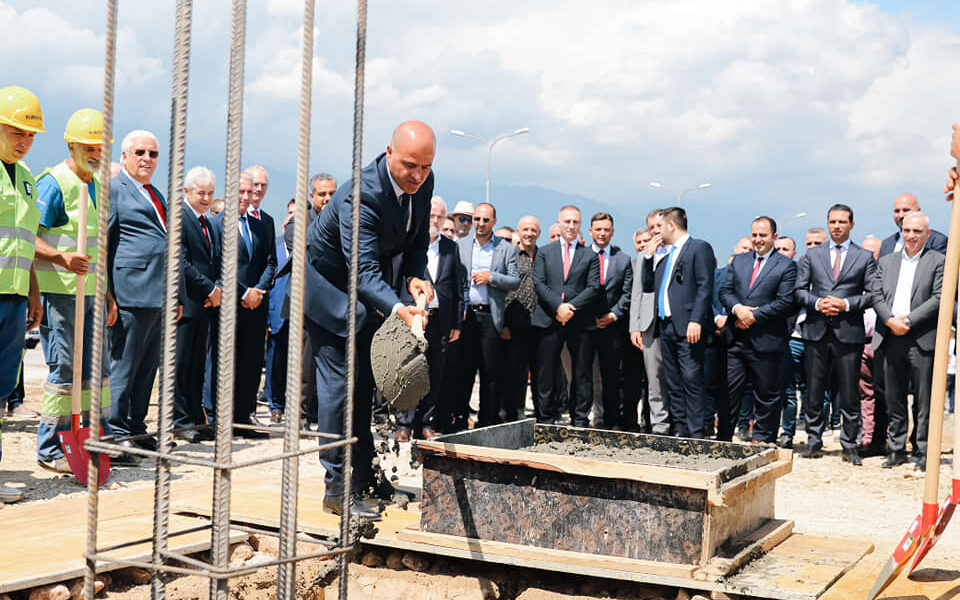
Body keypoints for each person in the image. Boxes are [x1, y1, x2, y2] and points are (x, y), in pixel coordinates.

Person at [303, 121, 435, 519]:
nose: (417, 176)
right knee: (339, 389)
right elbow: (361, 271)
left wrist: (415, 277)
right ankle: (336, 489)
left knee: (363, 388)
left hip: (368, 295)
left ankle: (365, 476)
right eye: (409, 165)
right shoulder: (360, 196)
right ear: (389, 153)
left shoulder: (422, 182)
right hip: (329, 291)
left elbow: (417, 240)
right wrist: (398, 308)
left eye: (425, 167)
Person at [34, 109, 124, 471]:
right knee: (66, 370)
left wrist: (107, 293)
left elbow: (97, 248)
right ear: (71, 145)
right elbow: (28, 238)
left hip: (91, 293)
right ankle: (51, 447)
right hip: (60, 293)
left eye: (101, 148)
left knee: (96, 368)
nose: (96, 153)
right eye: (89, 147)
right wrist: (61, 258)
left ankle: (95, 436)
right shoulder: (53, 183)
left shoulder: (97, 185)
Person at [795, 204, 875, 465]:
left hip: (849, 332)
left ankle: (849, 444)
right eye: (832, 222)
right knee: (814, 391)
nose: (837, 226)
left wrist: (846, 304)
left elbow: (872, 294)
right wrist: (819, 303)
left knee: (849, 392)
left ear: (851, 224)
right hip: (816, 331)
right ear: (828, 223)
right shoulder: (812, 255)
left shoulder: (864, 257)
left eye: (842, 222)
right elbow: (799, 290)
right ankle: (814, 440)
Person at [107, 129, 167, 454]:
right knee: (124, 366)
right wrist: (107, 295)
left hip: (156, 295)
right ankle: (115, 431)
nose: (146, 159)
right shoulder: (115, 189)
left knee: (146, 370)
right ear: (125, 155)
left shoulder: (154, 193)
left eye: (152, 154)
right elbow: (104, 243)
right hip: (128, 293)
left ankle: (136, 426)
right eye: (140, 152)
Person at [0, 85, 45, 503]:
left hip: (13, 299)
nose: (24, 142)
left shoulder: (28, 180)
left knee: (2, 388)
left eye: (30, 135)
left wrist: (33, 293)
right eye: (17, 132)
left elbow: (25, 242)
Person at [206, 171, 275, 437]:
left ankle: (244, 417)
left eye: (249, 191)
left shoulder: (263, 224)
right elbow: (217, 266)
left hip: (256, 306)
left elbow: (270, 261)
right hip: (228, 305)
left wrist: (257, 290)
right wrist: (244, 292)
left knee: (250, 362)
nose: (245, 197)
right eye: (240, 191)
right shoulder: (215, 224)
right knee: (222, 362)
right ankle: (217, 418)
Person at [871, 212, 942, 470]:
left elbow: (938, 297)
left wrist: (909, 321)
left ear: (927, 234)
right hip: (891, 337)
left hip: (921, 338)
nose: (911, 236)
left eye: (917, 231)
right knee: (894, 399)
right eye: (907, 230)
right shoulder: (886, 261)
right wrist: (891, 321)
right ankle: (897, 449)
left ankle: (922, 451)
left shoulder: (939, 261)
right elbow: (876, 295)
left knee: (924, 400)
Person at [718, 217, 797, 443]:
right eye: (754, 235)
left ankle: (762, 440)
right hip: (736, 339)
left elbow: (785, 302)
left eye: (763, 235)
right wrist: (738, 309)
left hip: (767, 341)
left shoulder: (786, 265)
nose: (758, 240)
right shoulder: (739, 261)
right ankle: (723, 439)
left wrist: (753, 316)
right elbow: (725, 291)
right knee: (729, 393)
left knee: (767, 395)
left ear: (774, 237)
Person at [641, 207, 715, 439]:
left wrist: (696, 319)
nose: (657, 231)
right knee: (673, 381)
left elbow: (705, 286)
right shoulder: (666, 256)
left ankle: (696, 433)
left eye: (661, 226)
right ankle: (680, 430)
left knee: (691, 379)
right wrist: (648, 256)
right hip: (666, 326)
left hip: (688, 326)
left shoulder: (698, 247)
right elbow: (647, 285)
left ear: (671, 226)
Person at [398, 196, 465, 439]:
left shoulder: (451, 247)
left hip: (441, 320)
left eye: (440, 216)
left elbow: (458, 287)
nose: (435, 220)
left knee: (435, 373)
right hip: (413, 317)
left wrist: (456, 323)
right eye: (432, 215)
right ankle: (404, 424)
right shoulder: (409, 243)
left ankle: (426, 423)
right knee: (410, 370)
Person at [452, 202, 520, 429]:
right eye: (476, 219)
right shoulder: (460, 245)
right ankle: (459, 419)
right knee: (463, 371)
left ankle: (486, 421)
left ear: (494, 222)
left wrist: (491, 277)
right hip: (465, 316)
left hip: (490, 315)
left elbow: (514, 281)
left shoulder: (506, 248)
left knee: (490, 372)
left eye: (485, 220)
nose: (480, 224)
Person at [532, 205, 601, 427]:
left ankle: (579, 419)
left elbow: (593, 287)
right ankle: (545, 419)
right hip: (549, 319)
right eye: (567, 221)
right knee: (545, 371)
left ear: (580, 225)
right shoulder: (544, 252)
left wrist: (570, 307)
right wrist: (558, 307)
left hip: (580, 321)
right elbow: (538, 283)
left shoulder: (590, 255)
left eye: (575, 222)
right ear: (559, 223)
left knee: (582, 372)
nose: (571, 226)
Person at [172, 166, 220, 443]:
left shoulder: (207, 222)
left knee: (197, 366)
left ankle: (195, 416)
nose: (206, 198)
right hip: (186, 302)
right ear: (187, 191)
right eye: (201, 193)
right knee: (180, 365)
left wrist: (215, 289)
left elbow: (213, 260)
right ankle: (180, 420)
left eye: (210, 193)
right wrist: (209, 288)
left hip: (204, 305)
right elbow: (182, 262)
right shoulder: (180, 218)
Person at [583, 212, 632, 429]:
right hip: (586, 326)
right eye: (598, 229)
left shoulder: (623, 260)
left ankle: (611, 423)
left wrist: (613, 315)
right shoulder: (581, 256)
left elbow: (627, 292)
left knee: (611, 377)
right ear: (591, 231)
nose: (602, 233)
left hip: (612, 327)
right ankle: (582, 419)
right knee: (584, 375)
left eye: (606, 230)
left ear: (612, 232)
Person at [629, 210, 671, 434]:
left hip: (674, 324)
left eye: (658, 226)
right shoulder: (643, 257)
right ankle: (659, 426)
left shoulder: (677, 252)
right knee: (654, 380)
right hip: (648, 325)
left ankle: (678, 424)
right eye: (651, 227)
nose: (655, 231)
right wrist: (634, 326)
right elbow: (637, 294)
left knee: (674, 378)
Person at [500, 216, 541, 422]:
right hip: (514, 323)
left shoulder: (543, 256)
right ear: (518, 232)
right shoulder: (511, 256)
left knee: (539, 372)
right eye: (525, 229)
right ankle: (513, 413)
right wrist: (504, 323)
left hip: (540, 323)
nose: (529, 234)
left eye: (533, 230)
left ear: (538, 233)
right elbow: (503, 290)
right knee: (514, 372)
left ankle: (540, 415)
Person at [774, 236, 804, 449]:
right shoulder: (768, 274)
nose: (781, 252)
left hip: (799, 337)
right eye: (778, 249)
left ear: (794, 253)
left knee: (796, 391)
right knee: (780, 390)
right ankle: (779, 432)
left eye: (786, 249)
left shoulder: (799, 275)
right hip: (776, 338)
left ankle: (793, 432)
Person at [858, 235, 886, 458]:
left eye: (873, 252)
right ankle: (868, 438)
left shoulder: (886, 276)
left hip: (883, 341)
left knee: (885, 394)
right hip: (861, 342)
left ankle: (887, 438)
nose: (868, 256)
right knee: (865, 395)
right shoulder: (856, 277)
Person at [877, 193, 947, 258]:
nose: (901, 215)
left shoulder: (937, 241)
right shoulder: (886, 245)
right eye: (897, 211)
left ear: (918, 210)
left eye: (905, 210)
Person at [284, 172, 337, 252]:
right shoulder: (298, 223)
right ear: (312, 197)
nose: (328, 198)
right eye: (322, 194)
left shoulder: (345, 221)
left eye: (332, 194)